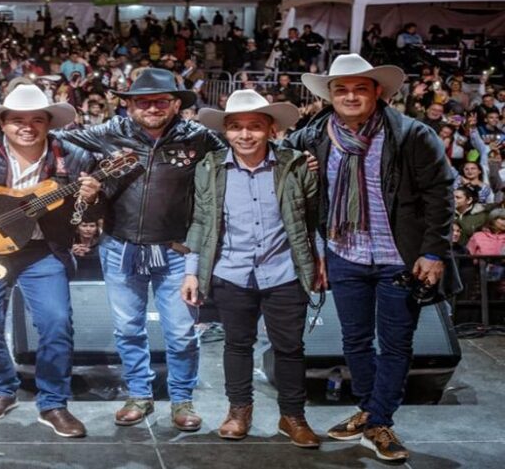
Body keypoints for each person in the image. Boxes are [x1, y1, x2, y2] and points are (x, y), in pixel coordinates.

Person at [287, 54, 456, 462]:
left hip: (401, 258)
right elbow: (282, 161)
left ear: (377, 91)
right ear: (330, 95)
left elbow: (441, 194)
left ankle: (381, 421)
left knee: (396, 344)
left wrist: (433, 251)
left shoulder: (411, 134)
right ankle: (369, 410)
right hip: (345, 254)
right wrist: (299, 165)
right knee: (354, 339)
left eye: (359, 88)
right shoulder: (314, 137)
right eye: (340, 89)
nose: (349, 96)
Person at [54, 68, 225, 431]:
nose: (151, 107)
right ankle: (139, 395)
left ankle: (182, 400)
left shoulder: (200, 138)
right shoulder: (109, 133)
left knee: (180, 332)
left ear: (176, 103)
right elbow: (51, 136)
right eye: (142, 101)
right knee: (128, 328)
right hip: (119, 247)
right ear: (129, 105)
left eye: (160, 100)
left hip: (178, 251)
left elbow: (241, 154)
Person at [0, 84, 100, 438]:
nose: (26, 126)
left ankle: (53, 401)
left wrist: (91, 198)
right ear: (2, 122)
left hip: (42, 250)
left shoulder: (72, 156)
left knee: (57, 322)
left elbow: (87, 209)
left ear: (49, 122)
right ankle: (2, 387)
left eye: (36, 119)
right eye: (16, 119)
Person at [181, 90, 323, 447]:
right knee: (237, 344)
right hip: (231, 271)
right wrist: (191, 270)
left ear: (271, 129)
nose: (245, 135)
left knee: (289, 348)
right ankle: (238, 410)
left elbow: (312, 218)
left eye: (254, 127)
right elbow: (200, 220)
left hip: (284, 271)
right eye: (236, 127)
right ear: (226, 131)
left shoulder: (295, 165)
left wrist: (318, 261)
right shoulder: (209, 167)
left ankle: (293, 416)